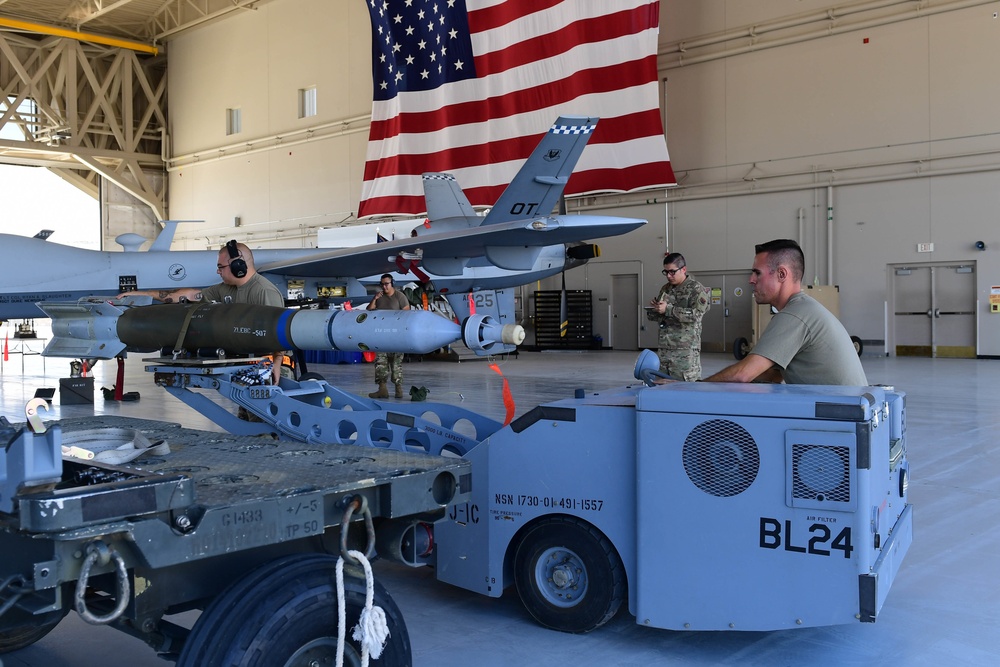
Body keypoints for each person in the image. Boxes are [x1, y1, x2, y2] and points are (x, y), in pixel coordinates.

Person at [119, 240, 287, 384]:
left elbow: (279, 331)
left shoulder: (264, 291)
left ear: (238, 266)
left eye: (221, 267)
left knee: (262, 417)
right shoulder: (225, 289)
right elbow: (191, 295)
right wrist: (144, 294)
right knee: (249, 416)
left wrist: (276, 365)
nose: (218, 271)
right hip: (249, 364)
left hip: (270, 367)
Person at [704, 239, 868, 385]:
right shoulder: (803, 308)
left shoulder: (794, 315)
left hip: (839, 416)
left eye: (757, 273)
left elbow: (742, 375)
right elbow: (773, 375)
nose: (751, 280)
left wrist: (695, 387)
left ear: (782, 274)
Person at [646, 252, 710, 381]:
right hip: (665, 350)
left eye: (672, 272)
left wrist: (668, 309)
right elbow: (662, 316)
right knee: (661, 385)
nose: (669, 276)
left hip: (685, 353)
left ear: (684, 269)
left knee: (684, 389)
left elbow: (696, 315)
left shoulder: (696, 289)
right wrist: (655, 310)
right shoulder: (666, 289)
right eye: (666, 272)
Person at [366, 274, 410, 398]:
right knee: (381, 363)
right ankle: (382, 389)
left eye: (386, 284)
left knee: (396, 364)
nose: (384, 286)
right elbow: (369, 310)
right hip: (381, 335)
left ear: (392, 284)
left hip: (396, 335)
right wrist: (374, 299)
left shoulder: (400, 297)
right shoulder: (379, 297)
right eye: (382, 284)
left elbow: (407, 313)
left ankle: (398, 389)